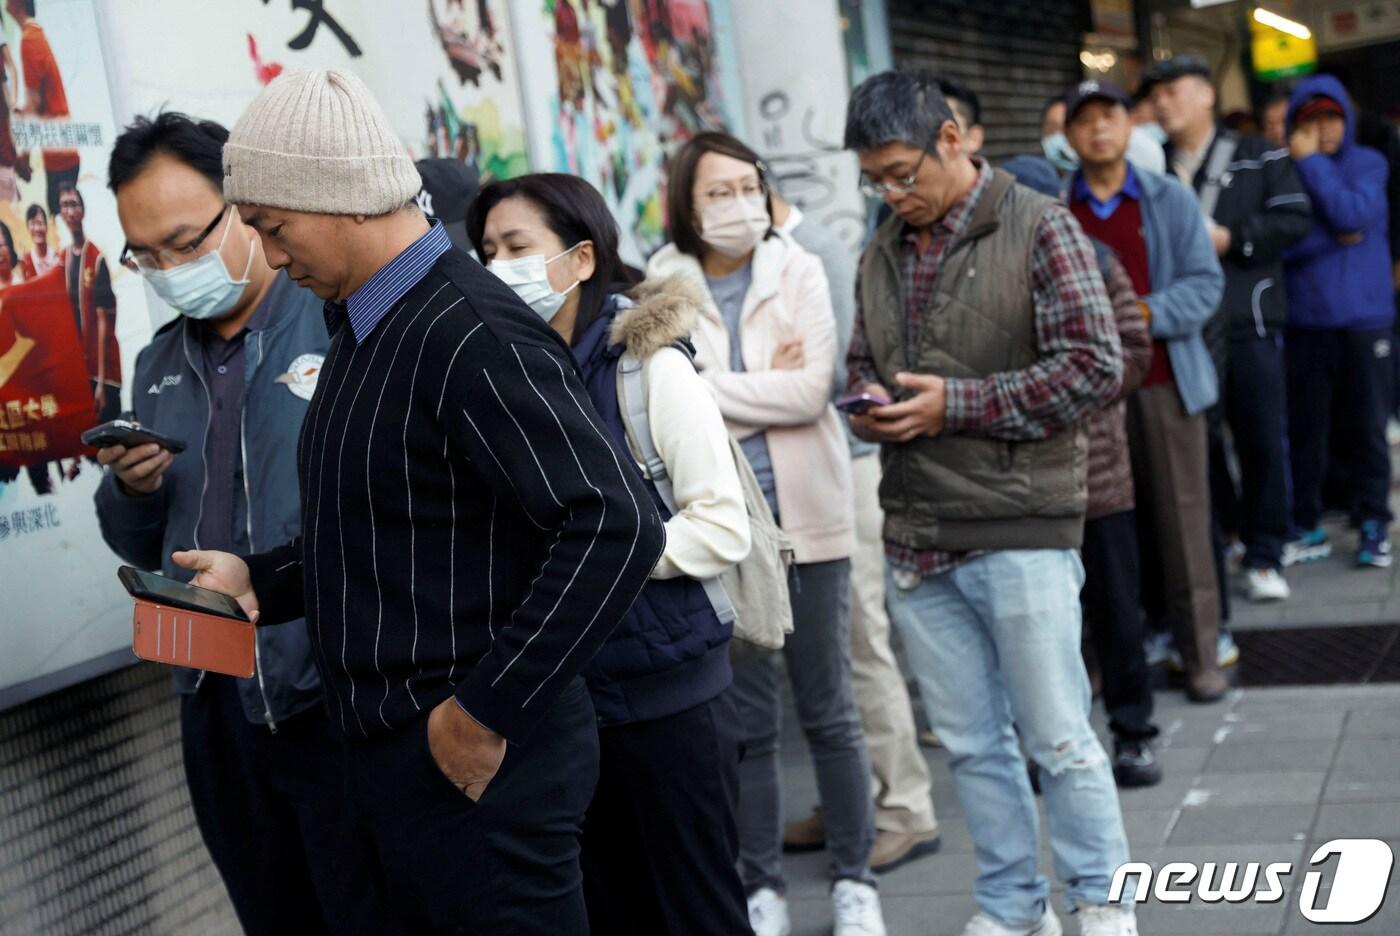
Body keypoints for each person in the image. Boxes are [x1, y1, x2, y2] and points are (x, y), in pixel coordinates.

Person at [177, 68, 665, 935]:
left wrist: (484, 712)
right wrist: (260, 578)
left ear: (339, 196)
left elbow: (614, 525)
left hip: (476, 763)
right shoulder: (365, 326)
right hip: (391, 758)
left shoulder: (468, 328)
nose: (274, 259)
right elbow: (391, 520)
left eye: (274, 228)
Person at [844, 70, 1135, 936]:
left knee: (1060, 739)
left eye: (901, 174)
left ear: (952, 139)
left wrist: (955, 405)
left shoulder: (1040, 224)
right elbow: (862, 359)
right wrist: (871, 403)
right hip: (918, 535)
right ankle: (1012, 906)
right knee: (973, 748)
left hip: (1020, 530)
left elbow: (1096, 366)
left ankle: (1102, 901)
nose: (892, 194)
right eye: (874, 181)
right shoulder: (880, 250)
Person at [94, 111, 394, 936]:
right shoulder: (159, 363)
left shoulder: (340, 324)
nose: (170, 270)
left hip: (338, 692)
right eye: (146, 255)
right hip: (213, 697)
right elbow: (137, 542)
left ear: (246, 208)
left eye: (185, 243)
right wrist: (134, 492)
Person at [468, 171, 753, 936]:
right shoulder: (513, 375)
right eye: (487, 252)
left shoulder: (647, 366)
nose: (499, 266)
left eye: (518, 247)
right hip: (568, 706)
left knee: (699, 913)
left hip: (670, 698)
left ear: (582, 257)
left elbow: (722, 525)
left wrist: (599, 560)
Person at [647, 131, 884, 936]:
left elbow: (813, 391)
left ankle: (855, 880)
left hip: (811, 517)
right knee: (746, 724)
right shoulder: (662, 284)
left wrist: (708, 386)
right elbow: (664, 404)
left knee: (830, 710)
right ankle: (763, 887)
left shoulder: (800, 266)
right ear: (686, 203)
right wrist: (758, 385)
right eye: (718, 192)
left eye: (749, 187)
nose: (739, 205)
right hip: (725, 532)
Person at [774, 187, 942, 875]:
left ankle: (905, 809)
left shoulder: (817, 250)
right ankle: (853, 803)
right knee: (826, 658)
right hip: (794, 480)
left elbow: (836, 380)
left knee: (861, 643)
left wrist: (775, 381)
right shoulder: (750, 258)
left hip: (846, 472)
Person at [1062, 79, 1228, 704]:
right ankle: (1102, 660)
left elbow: (1205, 286)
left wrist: (1137, 313)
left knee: (1184, 527)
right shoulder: (1054, 208)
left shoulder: (1168, 198)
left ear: (1129, 125)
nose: (1099, 129)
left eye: (1109, 116)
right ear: (1068, 135)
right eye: (1085, 120)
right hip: (1087, 398)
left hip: (1164, 384)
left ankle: (1200, 655)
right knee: (1096, 537)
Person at [1003, 153, 1162, 789]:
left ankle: (1134, 734)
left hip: (1099, 476)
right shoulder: (990, 273)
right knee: (1038, 625)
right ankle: (1051, 743)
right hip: (1022, 484)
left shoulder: (1096, 260)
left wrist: (1064, 389)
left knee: (1118, 611)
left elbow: (1134, 351)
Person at [1147, 55, 1312, 605]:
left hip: (1248, 318)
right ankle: (1227, 536)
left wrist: (1232, 238)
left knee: (1261, 437)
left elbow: (1294, 218)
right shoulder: (1151, 164)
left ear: (1206, 95)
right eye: (1155, 95)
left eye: (1173, 91)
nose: (1162, 103)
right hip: (1183, 328)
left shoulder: (1257, 153)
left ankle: (1266, 552)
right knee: (1200, 441)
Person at [1282, 75, 1395, 568]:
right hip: (1305, 322)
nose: (1324, 129)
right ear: (1295, 127)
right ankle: (1308, 523)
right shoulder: (1281, 170)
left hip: (1365, 320)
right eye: (1311, 121)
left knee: (1367, 428)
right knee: (1307, 431)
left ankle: (1373, 523)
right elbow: (1282, 240)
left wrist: (1312, 164)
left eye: (1332, 118)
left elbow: (1352, 214)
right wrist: (1330, 237)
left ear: (1347, 119)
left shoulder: (1369, 162)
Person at [58, 184, 121, 422]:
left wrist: (101, 383)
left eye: (74, 205)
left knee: (109, 435)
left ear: (82, 211)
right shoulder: (62, 260)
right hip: (79, 369)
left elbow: (104, 322)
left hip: (102, 371)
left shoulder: (96, 259)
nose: (70, 211)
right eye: (64, 206)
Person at [9, 0, 77, 216]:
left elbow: (35, 105)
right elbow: (37, 101)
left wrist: (24, 156)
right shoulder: (34, 36)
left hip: (60, 154)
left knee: (60, 217)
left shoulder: (30, 40)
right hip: (60, 150)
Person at [20, 202, 58, 279]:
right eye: (33, 224)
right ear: (28, 228)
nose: (37, 229)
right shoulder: (25, 262)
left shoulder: (57, 258)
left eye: (40, 223)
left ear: (46, 226)